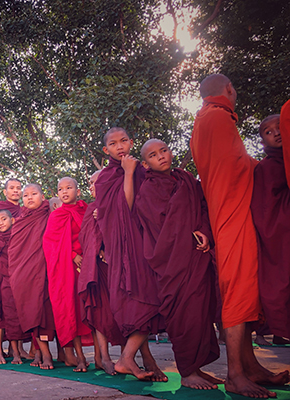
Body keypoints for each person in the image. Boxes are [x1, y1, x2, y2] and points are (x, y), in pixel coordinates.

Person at [191, 74, 289, 398]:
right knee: (238, 292)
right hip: (233, 215)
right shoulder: (219, 118)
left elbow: (232, 164)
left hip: (226, 213)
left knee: (242, 291)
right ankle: (235, 375)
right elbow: (237, 169)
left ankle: (251, 366)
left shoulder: (204, 120)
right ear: (229, 91)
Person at [136, 139, 222, 389]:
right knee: (183, 313)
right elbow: (158, 227)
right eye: (153, 155)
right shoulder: (148, 189)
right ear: (145, 163)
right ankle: (186, 372)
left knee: (201, 311)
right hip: (173, 260)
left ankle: (197, 367)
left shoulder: (186, 179)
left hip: (196, 254)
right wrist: (184, 236)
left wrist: (205, 231)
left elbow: (203, 208)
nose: (161, 156)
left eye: (163, 150)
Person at [95, 127, 166, 382]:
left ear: (132, 142)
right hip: (123, 247)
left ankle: (140, 358)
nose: (120, 146)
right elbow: (124, 206)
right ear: (106, 150)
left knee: (149, 298)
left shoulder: (143, 170)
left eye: (124, 141)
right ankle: (128, 358)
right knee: (140, 299)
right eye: (113, 144)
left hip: (143, 241)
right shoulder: (107, 176)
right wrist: (128, 173)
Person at [43, 177, 93, 372]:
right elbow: (50, 244)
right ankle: (80, 357)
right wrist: (72, 255)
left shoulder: (86, 210)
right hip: (67, 269)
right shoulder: (56, 216)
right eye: (60, 189)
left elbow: (93, 234)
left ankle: (99, 356)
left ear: (77, 191)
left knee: (91, 308)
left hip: (89, 264)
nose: (64, 192)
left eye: (69, 188)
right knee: (72, 309)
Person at [78, 170, 125, 375]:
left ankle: (127, 357)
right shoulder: (91, 209)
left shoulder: (122, 200)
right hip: (99, 267)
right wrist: (99, 250)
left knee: (125, 313)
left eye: (95, 182)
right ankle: (104, 358)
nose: (91, 186)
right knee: (100, 312)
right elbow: (85, 238)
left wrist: (107, 217)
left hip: (121, 265)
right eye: (89, 183)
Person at [251, 112, 290, 344]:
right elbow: (265, 209)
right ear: (263, 141)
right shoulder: (266, 168)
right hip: (280, 233)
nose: (276, 133)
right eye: (268, 131)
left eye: (279, 127)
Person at [8, 183, 55, 370]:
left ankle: (53, 353)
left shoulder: (49, 212)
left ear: (42, 197)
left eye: (34, 194)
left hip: (45, 269)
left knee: (45, 312)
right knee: (32, 309)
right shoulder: (20, 220)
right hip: (26, 272)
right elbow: (15, 249)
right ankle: (44, 353)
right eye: (25, 195)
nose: (29, 197)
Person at [0, 209, 28, 365]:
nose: (0, 223)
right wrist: (11, 277)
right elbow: (0, 264)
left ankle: (23, 350)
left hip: (22, 278)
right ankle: (16, 354)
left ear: (12, 220)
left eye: (3, 219)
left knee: (22, 314)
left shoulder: (19, 234)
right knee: (10, 315)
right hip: (6, 280)